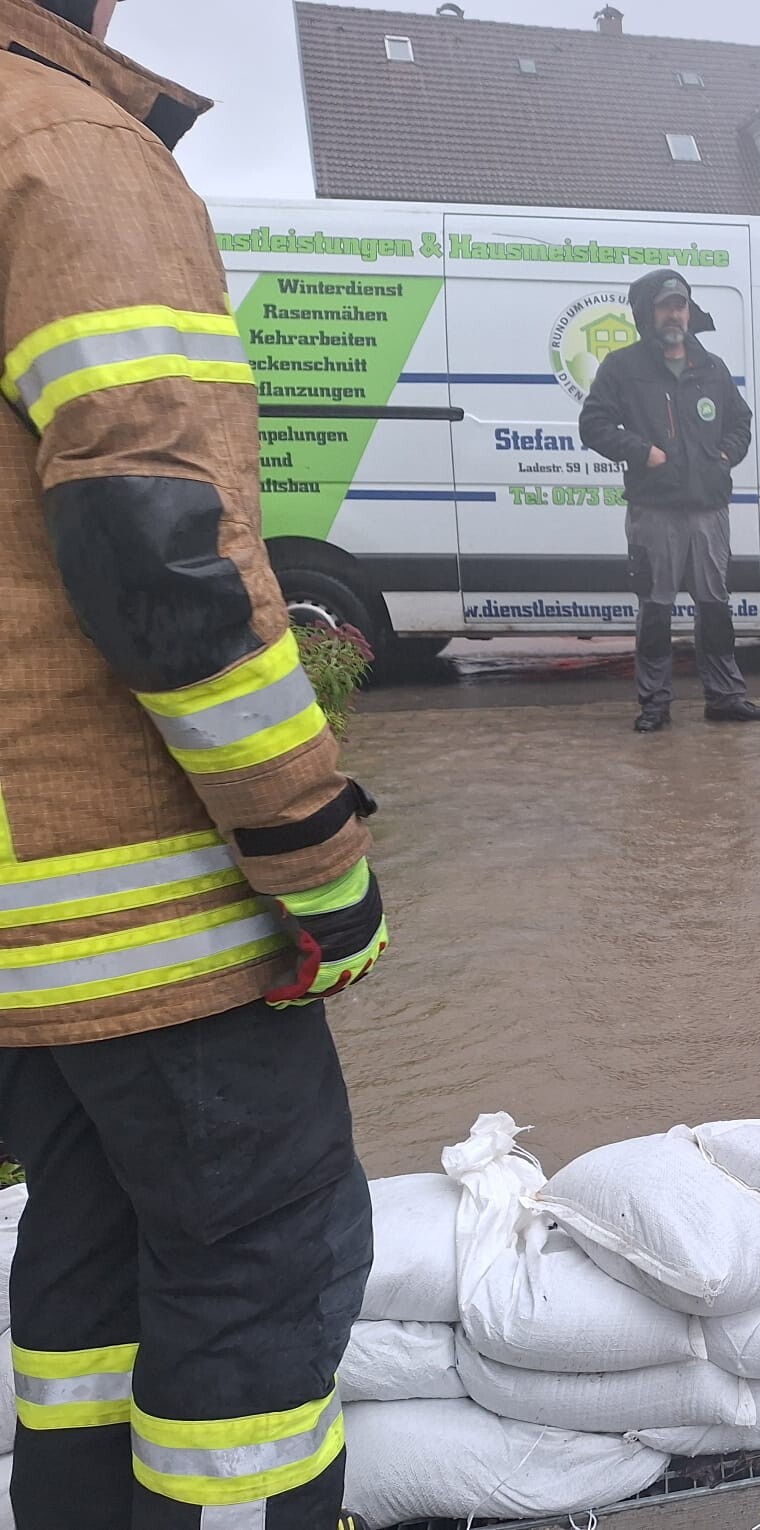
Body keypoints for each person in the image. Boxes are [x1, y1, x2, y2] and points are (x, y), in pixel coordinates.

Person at [0, 0, 390, 1525]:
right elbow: (162, 562)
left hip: (29, 939)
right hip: (140, 922)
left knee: (88, 1272)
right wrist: (322, 861)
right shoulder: (67, 149)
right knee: (261, 1274)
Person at [580, 269, 760, 733]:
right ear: (648, 313)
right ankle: (655, 703)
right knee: (655, 609)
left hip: (709, 509)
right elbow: (593, 425)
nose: (674, 314)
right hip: (654, 511)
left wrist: (724, 456)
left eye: (681, 305)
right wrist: (640, 451)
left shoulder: (712, 367)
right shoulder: (623, 368)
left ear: (690, 312)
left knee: (715, 606)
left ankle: (725, 696)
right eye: (665, 306)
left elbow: (741, 422)